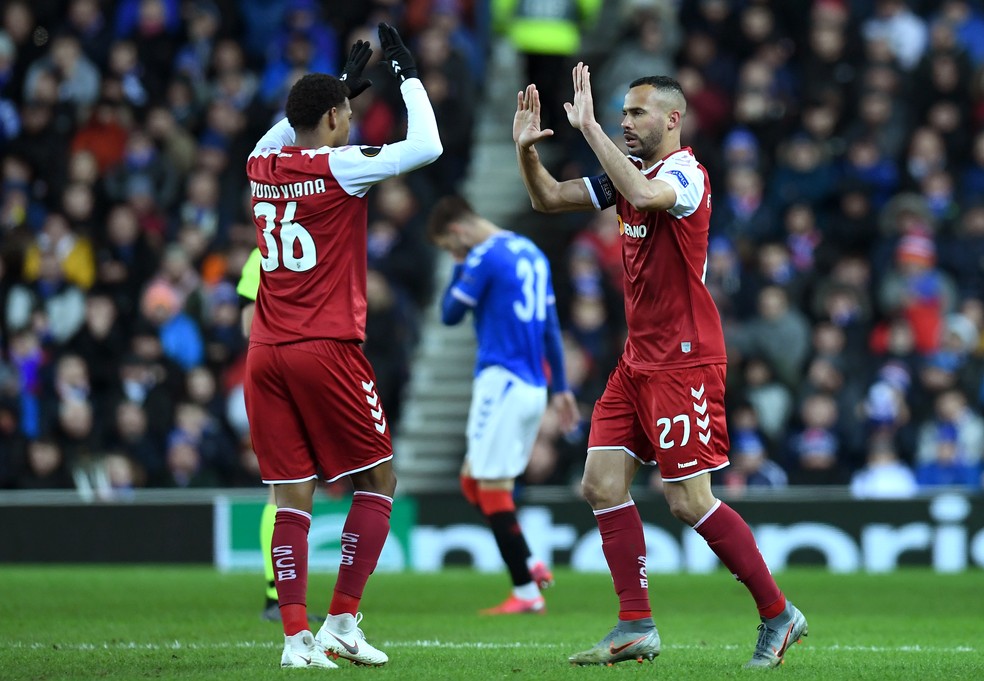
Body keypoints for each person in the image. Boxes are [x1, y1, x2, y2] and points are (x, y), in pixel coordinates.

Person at [512, 66, 808, 668]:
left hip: (685, 360)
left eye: (636, 113)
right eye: (620, 113)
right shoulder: (630, 176)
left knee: (687, 500)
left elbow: (648, 198)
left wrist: (589, 128)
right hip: (636, 360)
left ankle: (779, 614)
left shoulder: (685, 174)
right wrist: (525, 153)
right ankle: (635, 624)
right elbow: (547, 198)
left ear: (672, 119)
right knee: (599, 484)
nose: (625, 122)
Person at [244, 25, 441, 670]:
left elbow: (282, 133)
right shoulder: (341, 166)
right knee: (380, 479)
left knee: (290, 494)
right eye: (348, 116)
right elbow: (427, 146)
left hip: (265, 350)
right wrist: (407, 75)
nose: (352, 126)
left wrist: (339, 89)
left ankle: (295, 639)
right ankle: (343, 620)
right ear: (331, 119)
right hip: (325, 346)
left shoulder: (259, 166)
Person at [427, 195, 580, 615]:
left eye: (448, 246)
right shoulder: (531, 252)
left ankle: (527, 592)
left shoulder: (484, 256)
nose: (453, 254)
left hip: (503, 382)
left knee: (491, 488)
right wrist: (562, 387)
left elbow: (450, 314)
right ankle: (529, 562)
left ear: (457, 232)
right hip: (533, 386)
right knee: (473, 481)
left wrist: (460, 264)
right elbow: (550, 326)